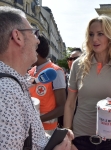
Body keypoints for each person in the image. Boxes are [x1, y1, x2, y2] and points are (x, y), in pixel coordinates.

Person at [0, 6, 73, 149]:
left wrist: (50, 139)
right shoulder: (6, 93)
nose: (38, 41)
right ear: (17, 37)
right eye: (34, 33)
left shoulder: (15, 83)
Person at [64, 15, 111, 150]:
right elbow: (70, 104)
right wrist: (67, 137)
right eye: (91, 34)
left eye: (100, 34)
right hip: (80, 136)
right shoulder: (78, 64)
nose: (94, 39)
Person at [28, 35, 66, 135]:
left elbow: (62, 108)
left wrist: (37, 120)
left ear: (36, 52)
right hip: (30, 128)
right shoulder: (31, 71)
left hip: (47, 131)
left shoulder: (56, 71)